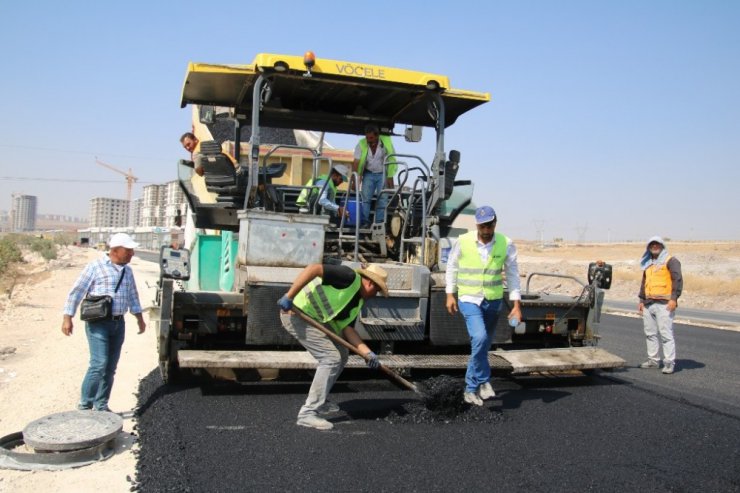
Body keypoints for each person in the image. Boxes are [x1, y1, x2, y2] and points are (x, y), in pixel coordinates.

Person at [277, 263, 389, 430]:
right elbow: (314, 269)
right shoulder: (348, 277)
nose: (375, 295)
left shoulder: (356, 302)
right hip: (296, 313)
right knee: (331, 358)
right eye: (376, 290)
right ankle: (308, 413)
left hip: (316, 319)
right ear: (370, 283)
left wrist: (368, 353)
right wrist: (289, 295)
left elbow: (348, 330)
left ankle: (320, 401)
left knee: (342, 354)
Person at [445, 206, 522, 406]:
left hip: (493, 301)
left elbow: (513, 274)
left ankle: (470, 390)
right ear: (477, 225)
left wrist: (516, 304)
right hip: (469, 298)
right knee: (479, 338)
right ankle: (484, 381)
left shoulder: (506, 243)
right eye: (482, 226)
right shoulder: (463, 241)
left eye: (489, 225)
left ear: (495, 223)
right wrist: (449, 294)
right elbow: (452, 266)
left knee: (482, 346)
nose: (486, 230)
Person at [61, 233, 146, 412]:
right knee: (99, 364)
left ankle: (101, 405)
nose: (132, 253)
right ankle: (85, 405)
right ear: (115, 250)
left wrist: (139, 318)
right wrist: (67, 317)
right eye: (128, 250)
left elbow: (133, 295)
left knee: (110, 367)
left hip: (118, 324)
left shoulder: (127, 271)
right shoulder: (95, 267)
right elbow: (76, 292)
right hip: (98, 324)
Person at [638, 236, 683, 374]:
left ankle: (669, 362)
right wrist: (641, 300)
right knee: (650, 334)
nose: (655, 246)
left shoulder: (671, 261)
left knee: (666, 334)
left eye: (657, 244)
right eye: (652, 245)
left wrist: (674, 299)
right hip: (648, 303)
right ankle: (653, 360)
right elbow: (644, 283)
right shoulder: (648, 263)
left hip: (664, 304)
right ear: (648, 247)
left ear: (662, 246)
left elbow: (678, 280)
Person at [352, 124, 396, 227]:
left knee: (383, 199)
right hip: (368, 174)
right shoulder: (361, 144)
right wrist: (355, 180)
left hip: (382, 174)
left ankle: (379, 223)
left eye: (371, 138)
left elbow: (392, 160)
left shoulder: (386, 144)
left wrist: (390, 177)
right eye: (367, 137)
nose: (368, 140)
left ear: (377, 136)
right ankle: (364, 221)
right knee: (365, 199)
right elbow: (356, 162)